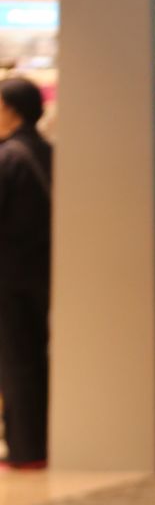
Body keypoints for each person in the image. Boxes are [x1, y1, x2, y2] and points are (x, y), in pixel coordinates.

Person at [0, 73, 53, 472]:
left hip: (10, 274)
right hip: (43, 270)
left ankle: (25, 450)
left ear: (10, 110)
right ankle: (34, 443)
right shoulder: (49, 151)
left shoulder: (8, 156)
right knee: (34, 355)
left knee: (17, 359)